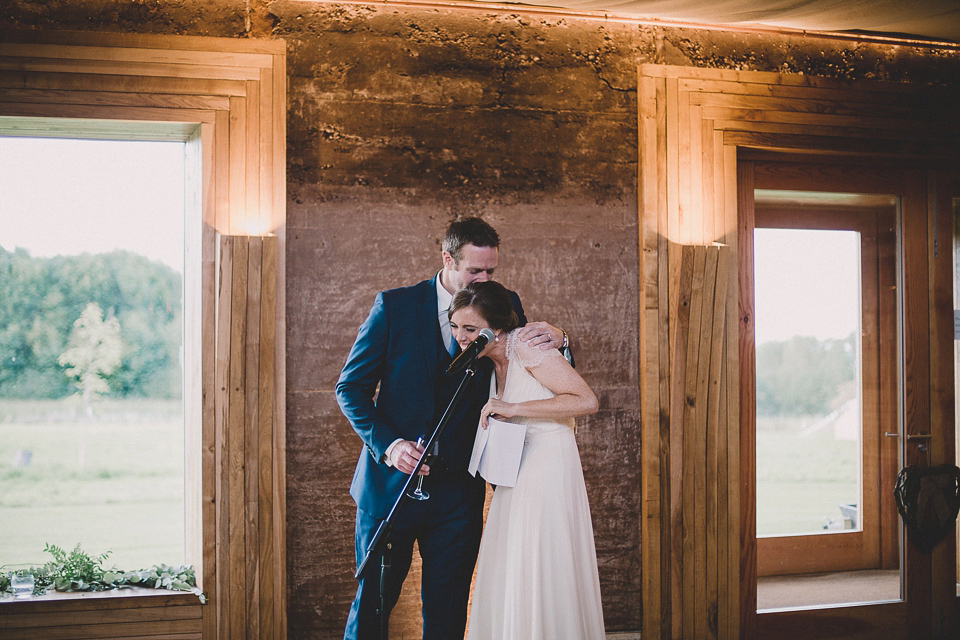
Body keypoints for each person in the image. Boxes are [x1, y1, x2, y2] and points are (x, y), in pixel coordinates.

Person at [336, 217, 567, 640]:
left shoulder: (505, 304)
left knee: (448, 613)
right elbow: (349, 388)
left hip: (459, 493)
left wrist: (561, 339)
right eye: (474, 271)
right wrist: (389, 446)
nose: (484, 279)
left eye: (490, 271)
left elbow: (530, 371)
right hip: (390, 489)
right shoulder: (395, 306)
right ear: (447, 259)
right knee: (372, 606)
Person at [449, 281, 605, 640]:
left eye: (470, 329)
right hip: (515, 472)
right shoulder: (487, 362)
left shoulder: (527, 348)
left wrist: (513, 408)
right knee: (514, 561)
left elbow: (586, 400)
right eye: (455, 326)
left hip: (547, 466)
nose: (460, 336)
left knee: (541, 558)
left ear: (496, 329)